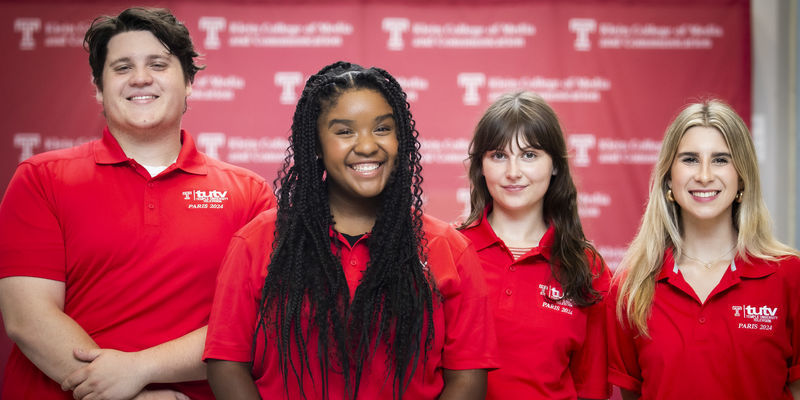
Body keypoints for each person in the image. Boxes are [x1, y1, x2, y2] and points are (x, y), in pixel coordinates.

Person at [0, 7, 276, 400]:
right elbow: (27, 317)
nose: (140, 78)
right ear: (98, 88)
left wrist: (140, 369)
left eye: (158, 64)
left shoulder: (249, 194)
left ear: (190, 83)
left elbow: (253, 325)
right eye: (122, 67)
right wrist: (131, 397)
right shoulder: (40, 178)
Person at [203, 61, 498, 399]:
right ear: (315, 144)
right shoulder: (258, 240)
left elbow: (468, 378)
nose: (368, 145)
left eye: (383, 129)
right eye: (344, 132)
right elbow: (226, 363)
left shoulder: (448, 248)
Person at [607, 99, 800, 399]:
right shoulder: (632, 285)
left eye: (721, 159)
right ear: (669, 177)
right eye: (690, 159)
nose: (705, 175)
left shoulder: (789, 275)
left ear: (742, 178)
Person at [457, 91, 610, 400]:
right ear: (481, 166)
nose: (513, 172)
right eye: (499, 155)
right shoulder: (450, 251)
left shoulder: (587, 266)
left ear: (555, 166)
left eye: (529, 155)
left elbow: (590, 388)